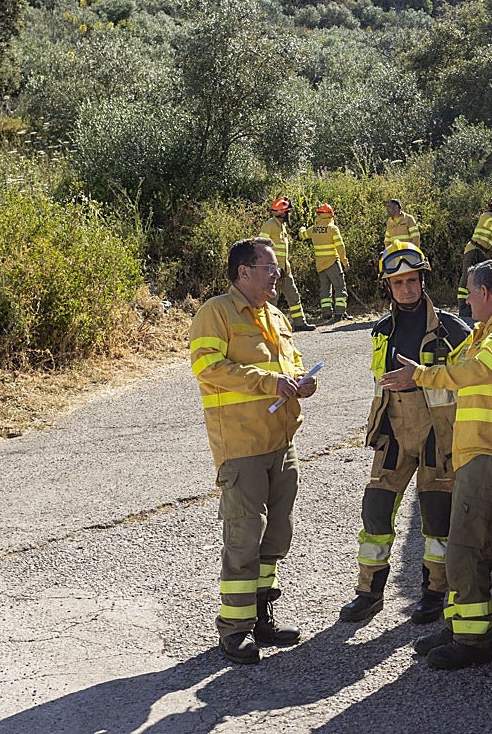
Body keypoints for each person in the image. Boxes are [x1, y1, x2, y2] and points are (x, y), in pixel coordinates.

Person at [380, 259, 492, 670]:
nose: (466, 300)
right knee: (460, 547)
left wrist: (423, 376)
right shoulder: (486, 330)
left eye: (469, 291)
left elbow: (478, 371)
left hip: (490, 456)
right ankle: (457, 626)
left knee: (467, 549)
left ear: (484, 292)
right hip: (476, 454)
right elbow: (458, 371)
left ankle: (472, 641)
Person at [188, 237, 319, 665]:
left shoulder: (276, 315)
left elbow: (291, 363)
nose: (277, 274)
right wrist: (268, 383)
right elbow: (207, 367)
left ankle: (262, 617)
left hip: (281, 442)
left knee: (275, 535)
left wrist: (303, 380)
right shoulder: (215, 313)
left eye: (276, 268)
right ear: (244, 272)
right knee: (244, 538)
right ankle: (234, 629)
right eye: (269, 268)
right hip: (241, 445)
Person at [340, 242, 472, 625]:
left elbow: (469, 382)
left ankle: (433, 594)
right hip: (395, 435)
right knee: (375, 511)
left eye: (412, 280)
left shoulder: (453, 330)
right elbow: (381, 386)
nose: (406, 289)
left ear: (423, 280)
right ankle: (368, 593)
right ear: (388, 286)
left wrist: (419, 379)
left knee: (437, 520)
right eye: (397, 283)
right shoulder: (382, 331)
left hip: (438, 438)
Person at [257, 197, 315, 331]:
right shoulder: (269, 225)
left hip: (284, 269)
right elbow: (261, 247)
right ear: (282, 213)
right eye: (288, 212)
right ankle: (270, 327)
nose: (290, 214)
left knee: (293, 296)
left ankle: (300, 323)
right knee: (271, 299)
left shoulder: (281, 226)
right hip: (273, 270)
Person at [457, 196, 492, 319]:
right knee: (466, 278)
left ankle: (473, 306)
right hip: (473, 249)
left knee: (478, 280)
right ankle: (463, 308)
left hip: (481, 252)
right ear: (490, 207)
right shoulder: (486, 216)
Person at [300, 203, 349, 322]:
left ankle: (326, 313)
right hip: (333, 263)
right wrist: (345, 262)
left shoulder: (313, 229)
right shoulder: (332, 229)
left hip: (320, 265)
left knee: (325, 290)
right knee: (340, 287)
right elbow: (340, 246)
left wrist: (301, 228)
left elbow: (303, 235)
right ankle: (340, 313)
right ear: (330, 214)